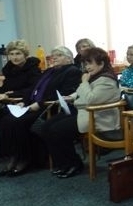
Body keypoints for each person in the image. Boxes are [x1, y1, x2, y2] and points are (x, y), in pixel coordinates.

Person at [39, 47, 121, 178]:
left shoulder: (107, 80)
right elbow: (81, 92)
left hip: (98, 118)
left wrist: (84, 82)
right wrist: (71, 97)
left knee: (57, 130)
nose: (87, 67)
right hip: (85, 112)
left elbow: (91, 98)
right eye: (86, 63)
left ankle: (74, 164)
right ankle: (62, 163)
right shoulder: (96, 77)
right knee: (46, 127)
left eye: (90, 63)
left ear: (101, 63)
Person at [0, 46, 82, 176]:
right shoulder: (49, 71)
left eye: (59, 55)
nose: (54, 57)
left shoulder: (72, 71)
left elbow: (64, 93)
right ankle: (15, 156)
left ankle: (25, 158)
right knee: (6, 120)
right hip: (33, 105)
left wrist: (38, 104)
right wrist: (25, 102)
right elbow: (34, 89)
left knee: (17, 122)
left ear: (69, 58)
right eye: (53, 55)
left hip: (49, 108)